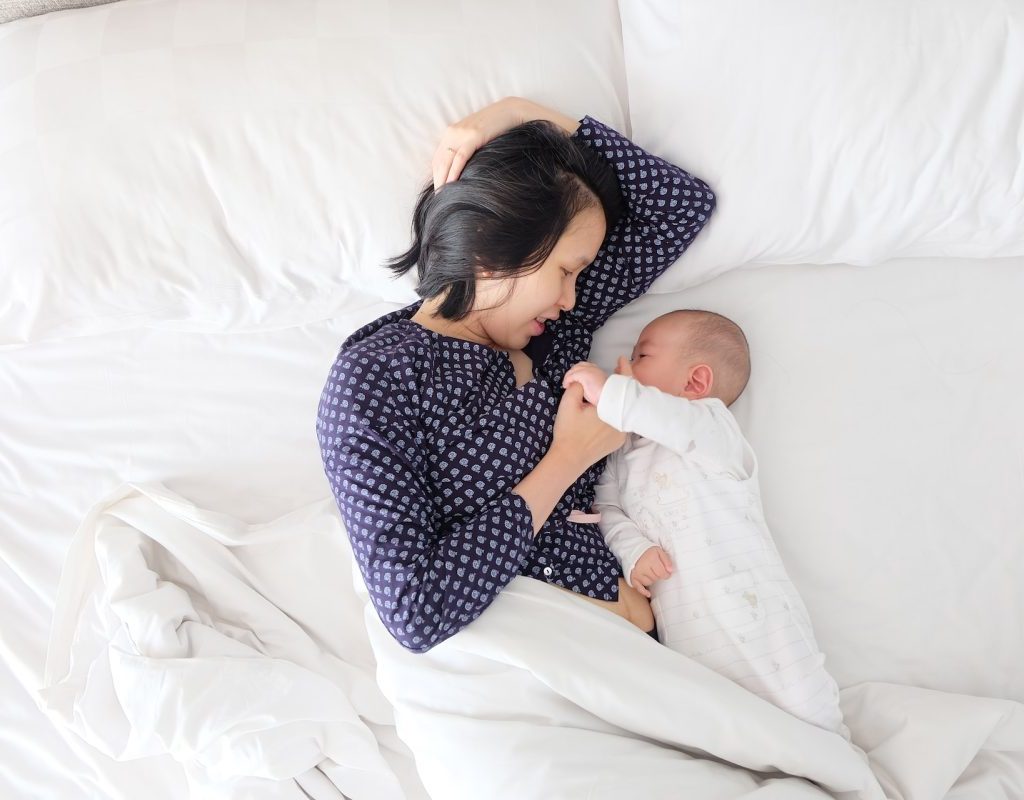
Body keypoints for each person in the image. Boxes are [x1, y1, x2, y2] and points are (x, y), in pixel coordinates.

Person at [316, 96, 715, 654]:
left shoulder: (556, 333)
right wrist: (567, 459)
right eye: (566, 271)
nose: (573, 295)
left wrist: (521, 114)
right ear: (495, 245)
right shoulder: (376, 379)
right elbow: (414, 609)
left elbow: (679, 207)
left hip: (641, 653)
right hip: (530, 665)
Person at [562, 310, 849, 735]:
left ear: (695, 384)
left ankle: (837, 758)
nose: (625, 365)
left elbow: (662, 417)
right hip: (693, 645)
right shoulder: (624, 450)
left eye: (641, 356)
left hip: (762, 623)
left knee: (808, 713)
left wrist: (610, 391)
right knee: (724, 735)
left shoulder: (712, 428)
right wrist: (634, 550)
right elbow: (608, 511)